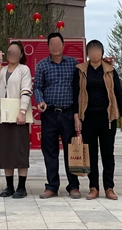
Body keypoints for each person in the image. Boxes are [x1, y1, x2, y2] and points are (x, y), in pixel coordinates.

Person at [73, 39, 122, 201]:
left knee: (107, 153)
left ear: (102, 52)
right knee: (91, 154)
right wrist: (76, 116)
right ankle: (93, 187)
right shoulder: (81, 70)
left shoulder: (110, 70)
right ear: (87, 53)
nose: (94, 53)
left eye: (97, 50)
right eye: (91, 50)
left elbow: (118, 93)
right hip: (88, 118)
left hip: (107, 118)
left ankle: (109, 187)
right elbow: (75, 94)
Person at [33, 31, 81, 199]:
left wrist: (77, 114)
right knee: (50, 151)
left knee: (71, 150)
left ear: (63, 45)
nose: (55, 47)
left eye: (58, 44)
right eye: (52, 44)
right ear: (48, 47)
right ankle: (52, 186)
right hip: (49, 114)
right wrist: (40, 101)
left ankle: (73, 186)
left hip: (68, 113)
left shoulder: (73, 64)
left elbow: (79, 88)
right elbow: (37, 87)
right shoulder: (42, 65)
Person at [0, 40, 33, 199]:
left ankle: (22, 186)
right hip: (3, 114)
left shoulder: (24, 69)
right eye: (10, 52)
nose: (12, 55)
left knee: (21, 149)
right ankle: (9, 185)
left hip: (18, 115)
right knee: (6, 149)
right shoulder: (2, 70)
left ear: (21, 54)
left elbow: (26, 90)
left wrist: (22, 111)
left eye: (15, 52)